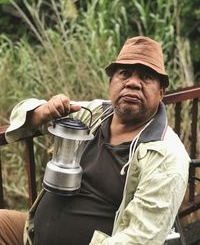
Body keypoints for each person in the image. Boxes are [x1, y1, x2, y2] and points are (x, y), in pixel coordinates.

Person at [1, 36, 190, 245]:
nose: (133, 83)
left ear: (161, 92)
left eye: (145, 77)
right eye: (124, 73)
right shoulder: (94, 114)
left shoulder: (167, 155)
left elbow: (140, 238)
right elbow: (21, 113)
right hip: (33, 232)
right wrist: (44, 110)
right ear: (111, 83)